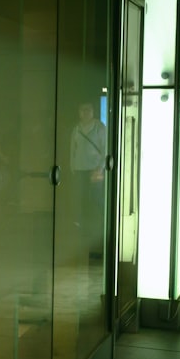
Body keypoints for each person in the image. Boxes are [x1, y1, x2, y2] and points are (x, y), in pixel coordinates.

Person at [69, 102, 107, 260]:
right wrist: (72, 164)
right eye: (82, 110)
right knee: (82, 198)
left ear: (92, 112)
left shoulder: (99, 127)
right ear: (79, 112)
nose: (85, 113)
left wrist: (101, 167)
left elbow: (105, 148)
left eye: (88, 110)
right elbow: (73, 148)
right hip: (80, 168)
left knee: (96, 198)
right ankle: (84, 228)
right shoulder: (77, 128)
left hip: (94, 168)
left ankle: (100, 227)